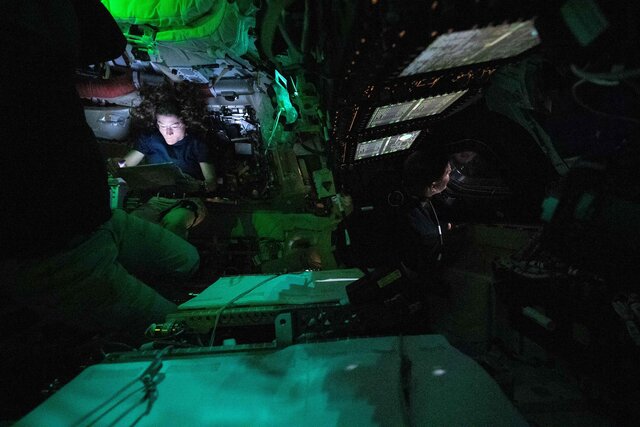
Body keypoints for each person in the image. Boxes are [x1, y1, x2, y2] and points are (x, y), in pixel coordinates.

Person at [1, 0, 201, 340]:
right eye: (163, 126)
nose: (168, 132)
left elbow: (107, 42)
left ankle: (134, 298)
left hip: (100, 221)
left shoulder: (38, 46)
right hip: (52, 254)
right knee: (178, 336)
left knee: (187, 260)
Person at [117, 81, 217, 239]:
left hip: (188, 201)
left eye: (174, 126)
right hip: (156, 201)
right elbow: (125, 165)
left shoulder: (196, 144)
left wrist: (198, 185)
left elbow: (211, 181)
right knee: (133, 223)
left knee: (173, 223)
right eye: (162, 126)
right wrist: (117, 165)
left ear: (185, 122)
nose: (168, 132)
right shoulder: (150, 139)